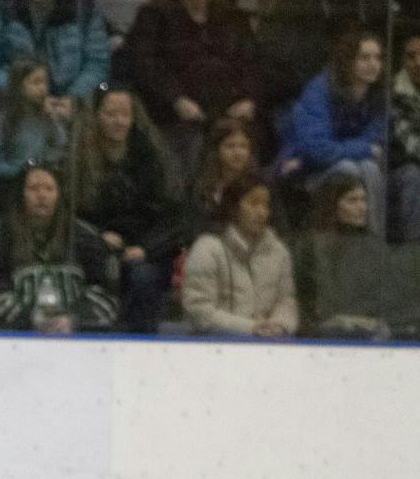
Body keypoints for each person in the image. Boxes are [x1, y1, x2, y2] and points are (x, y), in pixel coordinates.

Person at [122, 0, 259, 185]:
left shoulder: (234, 19)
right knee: (191, 145)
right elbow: (144, 65)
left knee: (241, 143)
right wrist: (176, 98)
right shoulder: (154, 17)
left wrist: (248, 97)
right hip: (174, 116)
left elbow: (252, 62)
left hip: (226, 115)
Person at [70, 85, 186, 333]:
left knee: (142, 278)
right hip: (95, 246)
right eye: (110, 114)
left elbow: (175, 218)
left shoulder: (153, 157)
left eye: (124, 114)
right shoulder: (79, 158)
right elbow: (70, 214)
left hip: (147, 250)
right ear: (97, 116)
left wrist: (145, 248)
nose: (118, 121)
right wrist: (99, 237)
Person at [0, 163, 119, 332]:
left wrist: (75, 320)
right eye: (33, 188)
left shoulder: (84, 237)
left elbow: (107, 299)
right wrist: (30, 318)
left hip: (79, 342)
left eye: (49, 189)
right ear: (21, 195)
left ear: (60, 195)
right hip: (13, 341)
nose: (41, 195)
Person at [277, 29, 388, 236]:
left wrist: (360, 150)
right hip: (304, 166)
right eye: (364, 58)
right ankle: (335, 240)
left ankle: (375, 243)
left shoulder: (378, 94)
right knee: (349, 169)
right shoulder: (319, 89)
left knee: (370, 168)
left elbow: (377, 141)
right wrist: (363, 148)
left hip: (349, 162)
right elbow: (318, 150)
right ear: (347, 60)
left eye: (378, 58)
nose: (373, 64)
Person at [259, 0, 379, 113]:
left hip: (357, 98)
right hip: (301, 97)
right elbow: (279, 58)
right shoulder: (296, 0)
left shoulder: (370, 2)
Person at [294, 172, 420, 337]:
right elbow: (312, 301)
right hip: (325, 335)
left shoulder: (376, 247)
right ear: (332, 204)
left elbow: (391, 297)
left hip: (371, 332)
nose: (362, 207)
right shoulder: (310, 245)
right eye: (352, 200)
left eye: (364, 200)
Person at [180, 175, 298, 336]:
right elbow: (198, 310)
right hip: (214, 348)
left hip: (268, 346)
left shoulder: (278, 251)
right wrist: (249, 328)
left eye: (266, 205)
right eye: (254, 203)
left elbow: (287, 301)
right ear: (233, 207)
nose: (262, 212)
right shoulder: (207, 249)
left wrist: (280, 325)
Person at [0, 58, 66, 181]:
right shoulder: (4, 121)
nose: (43, 88)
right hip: (15, 187)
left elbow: (60, 147)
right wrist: (20, 170)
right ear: (19, 86)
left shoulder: (49, 119)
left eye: (45, 83)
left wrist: (53, 118)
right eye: (36, 82)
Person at [192, 116, 260, 226]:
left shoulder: (260, 185)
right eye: (230, 146)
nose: (238, 153)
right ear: (217, 150)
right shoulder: (202, 187)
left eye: (243, 146)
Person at [389, 32, 420, 242]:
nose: (418, 62)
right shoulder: (394, 92)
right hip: (398, 169)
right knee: (413, 176)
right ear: (402, 59)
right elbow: (411, 145)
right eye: (411, 56)